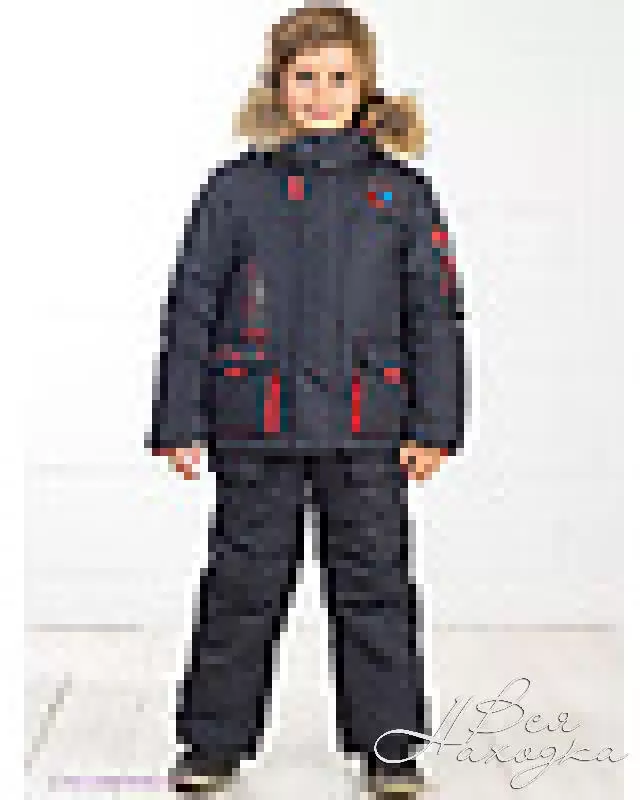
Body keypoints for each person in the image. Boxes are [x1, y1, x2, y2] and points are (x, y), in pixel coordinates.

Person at [146, 4, 468, 797]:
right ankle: (212, 744)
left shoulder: (401, 195)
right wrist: (178, 420)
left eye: (338, 79)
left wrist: (435, 424)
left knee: (376, 588)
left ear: (365, 87)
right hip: (256, 425)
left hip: (368, 429)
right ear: (278, 84)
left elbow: (434, 315)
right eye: (305, 78)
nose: (320, 95)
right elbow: (192, 305)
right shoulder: (235, 191)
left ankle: (390, 750)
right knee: (241, 587)